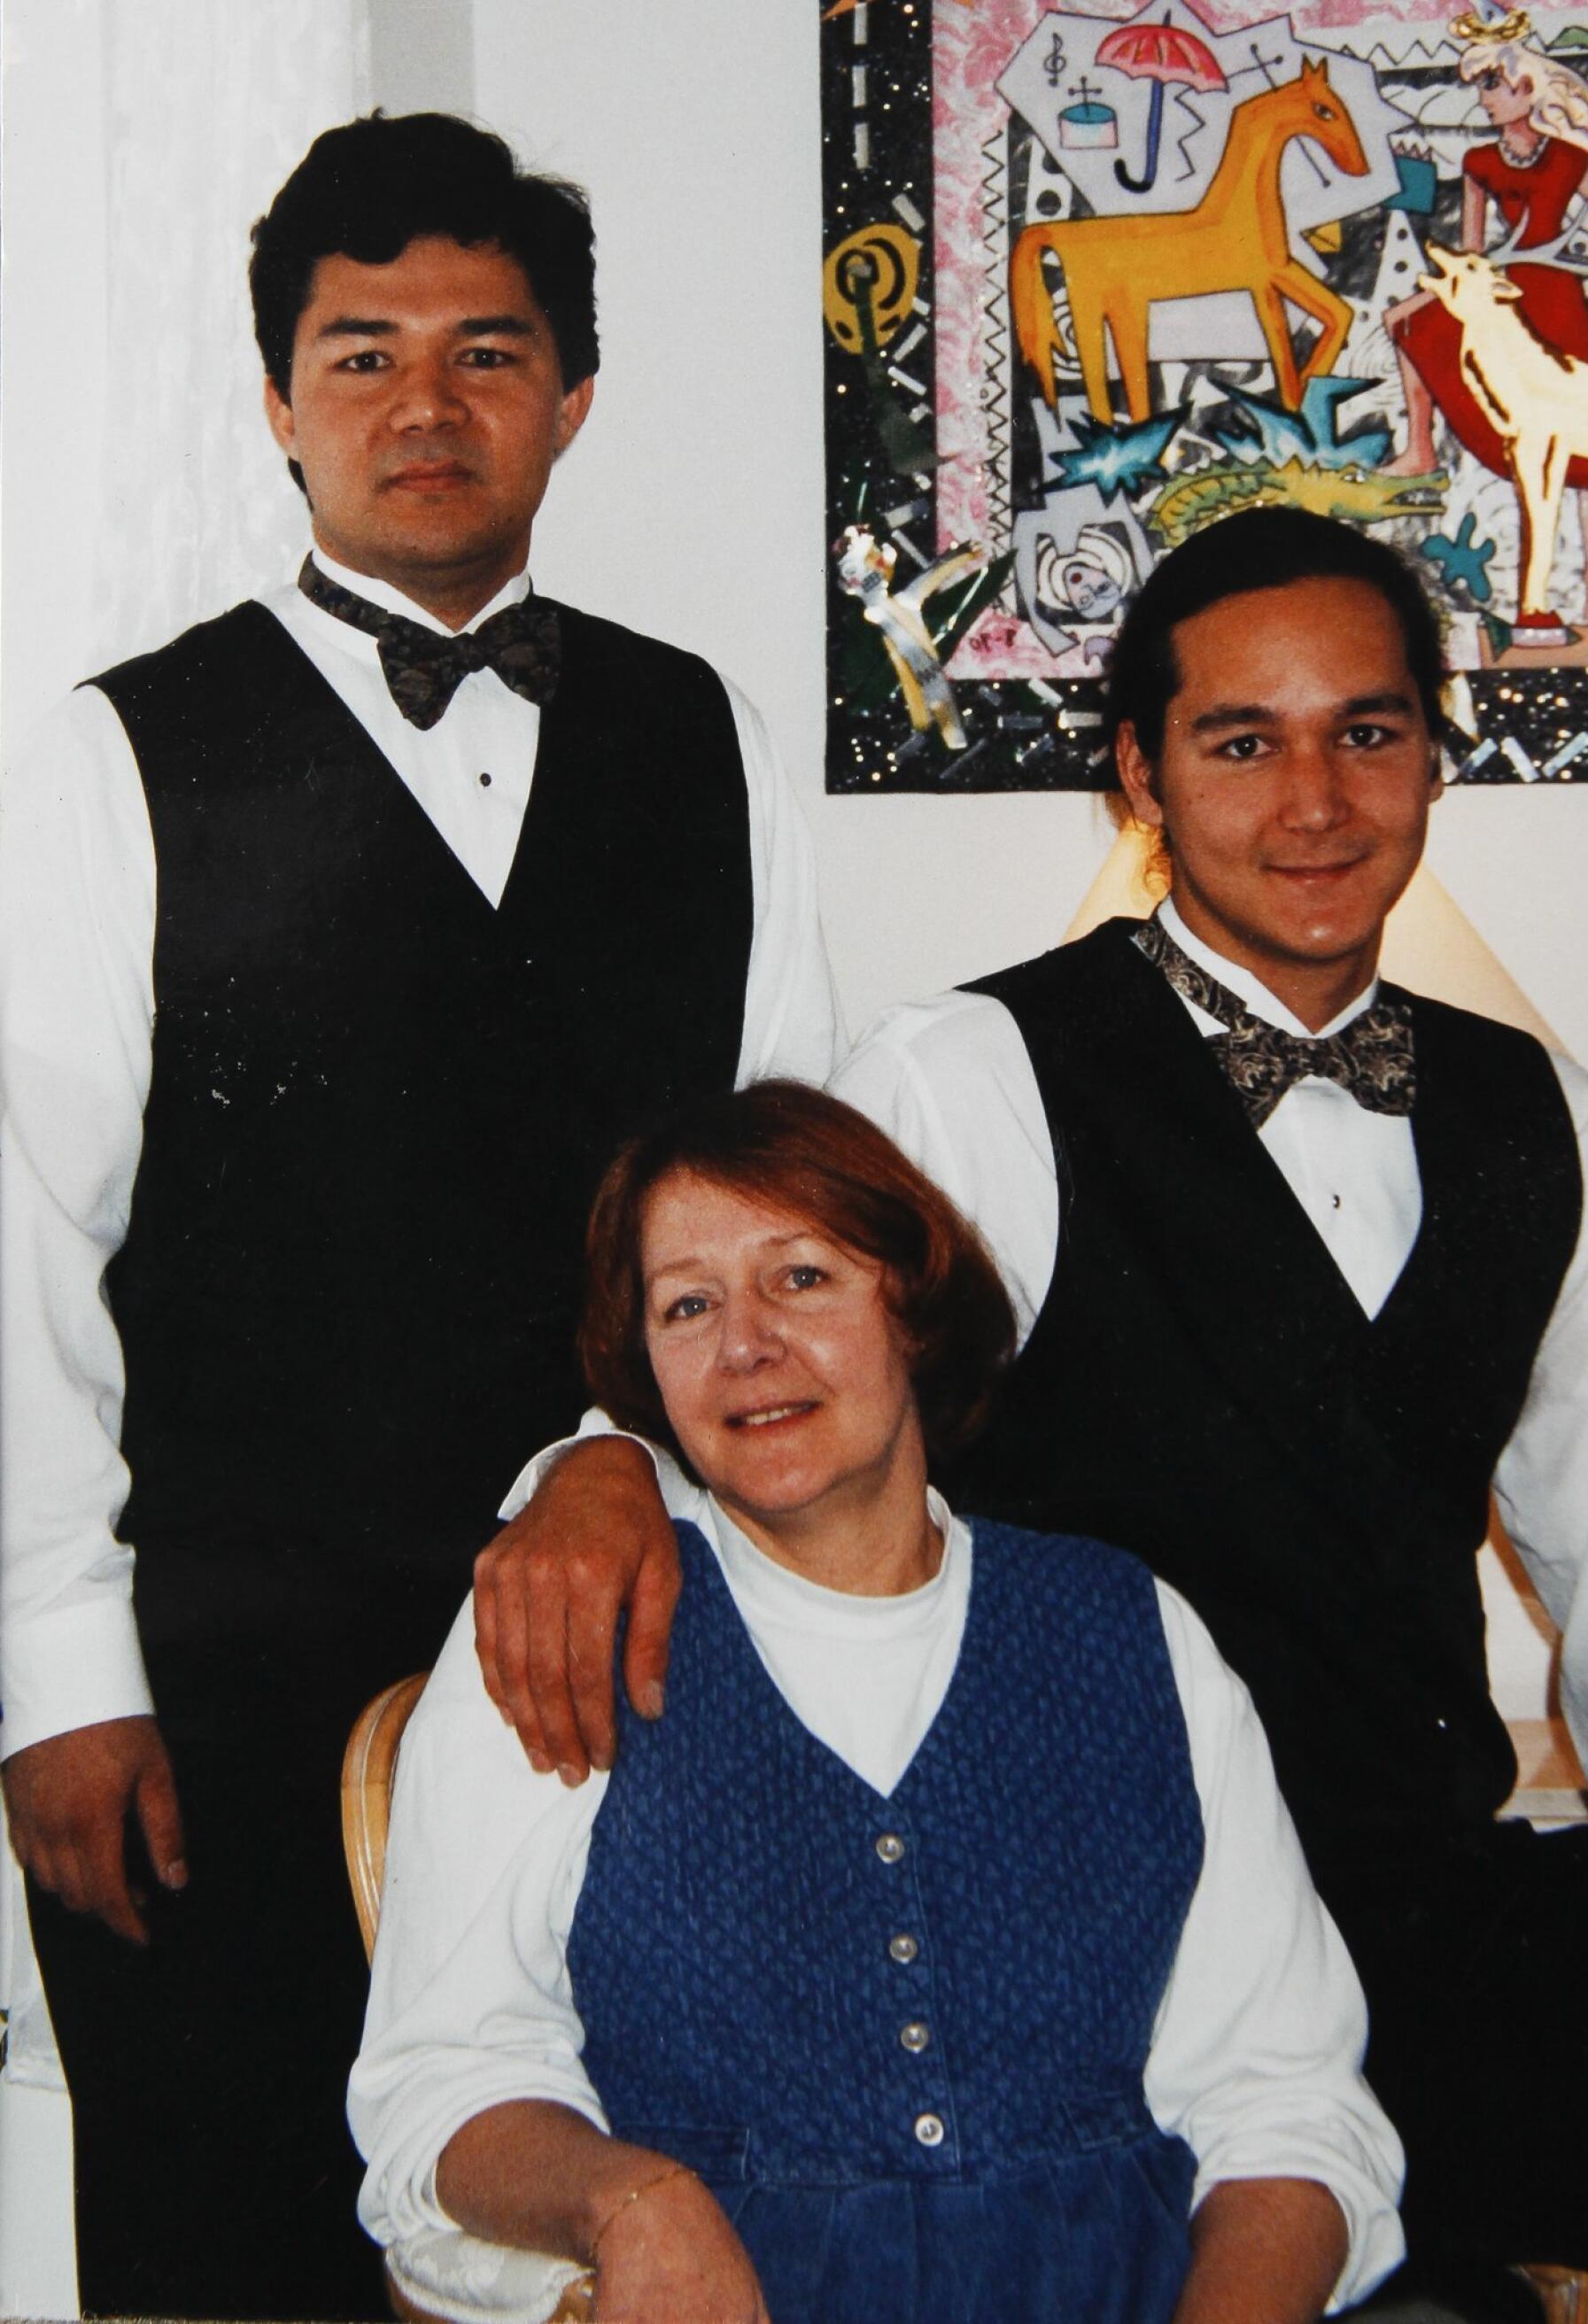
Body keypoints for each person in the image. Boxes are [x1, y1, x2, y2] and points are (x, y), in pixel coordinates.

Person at [502, 512, 1588, 2321]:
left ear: (1438, 747)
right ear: (1140, 773)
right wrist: (592, 1472)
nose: (1315, 801)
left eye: (1370, 730)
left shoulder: (1542, 1117)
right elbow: (747, 1368)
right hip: (1069, 1955)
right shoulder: (972, 1074)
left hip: (1416, 1919)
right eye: (1242, 743)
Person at [0, 112, 837, 2320]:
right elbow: (17, 1248)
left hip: (644, 1634)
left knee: (629, 2229)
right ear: (277, 398)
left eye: (486, 351)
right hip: (220, 1679)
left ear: (571, 392)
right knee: (234, 2240)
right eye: (359, 353)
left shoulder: (701, 735)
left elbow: (794, 1212)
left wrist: (626, 1461)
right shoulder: (114, 753)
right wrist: (57, 1672)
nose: (424, 404)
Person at [350, 1081, 1404, 2324]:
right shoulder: (566, 1622)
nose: (746, 1345)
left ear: (912, 1305)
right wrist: (629, 2199)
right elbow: (442, 2088)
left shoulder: (1133, 1632)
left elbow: (1286, 2106)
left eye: (802, 1279)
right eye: (688, 1305)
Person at [1383, 12, 1588, 628]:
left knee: (1585, 459)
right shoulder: (1477, 161)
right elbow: (1470, 253)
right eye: (1479, 87)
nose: (1484, 100)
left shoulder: (1572, 158)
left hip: (1564, 306)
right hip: (1502, 302)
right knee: (1405, 323)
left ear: (1527, 88)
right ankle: (1420, 447)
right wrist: (1426, 298)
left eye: (1492, 85)